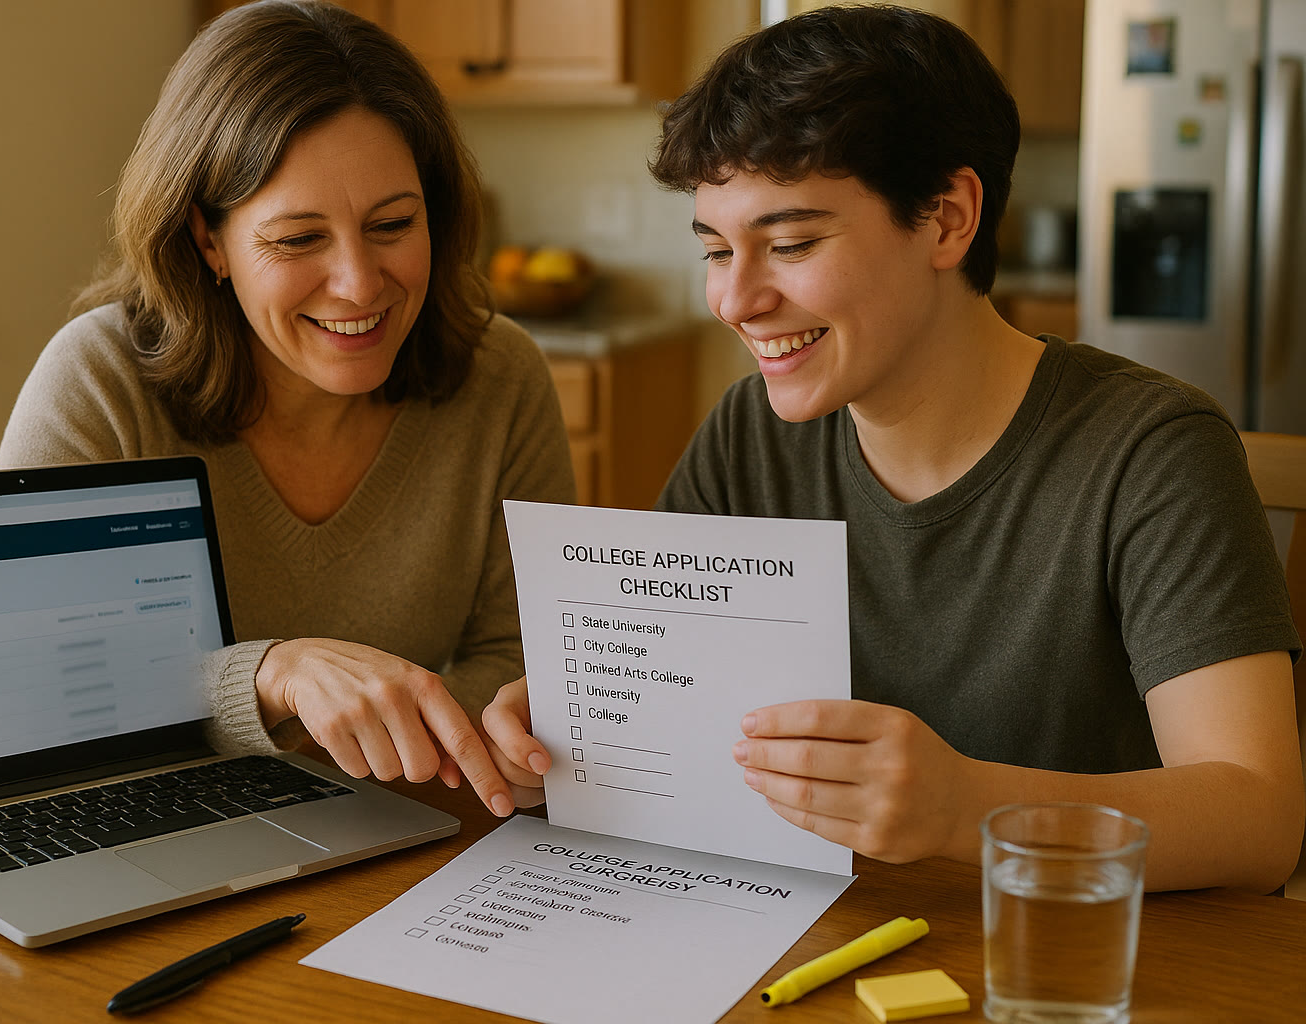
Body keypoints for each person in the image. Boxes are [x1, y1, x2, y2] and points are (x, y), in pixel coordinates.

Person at [483, 4, 1303, 891]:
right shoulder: (746, 435)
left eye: (790, 242)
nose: (734, 300)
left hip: (1066, 958)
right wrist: (581, 729)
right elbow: (683, 716)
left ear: (948, 219)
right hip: (821, 936)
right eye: (718, 250)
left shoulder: (1150, 453)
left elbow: (1257, 818)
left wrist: (963, 807)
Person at [0, 0, 575, 819]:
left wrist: (474, 733)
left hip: (407, 834)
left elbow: (525, 659)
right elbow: (20, 677)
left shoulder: (501, 373)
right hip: (155, 836)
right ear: (208, 240)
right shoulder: (99, 382)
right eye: (299, 239)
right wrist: (268, 678)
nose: (360, 284)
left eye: (393, 224)